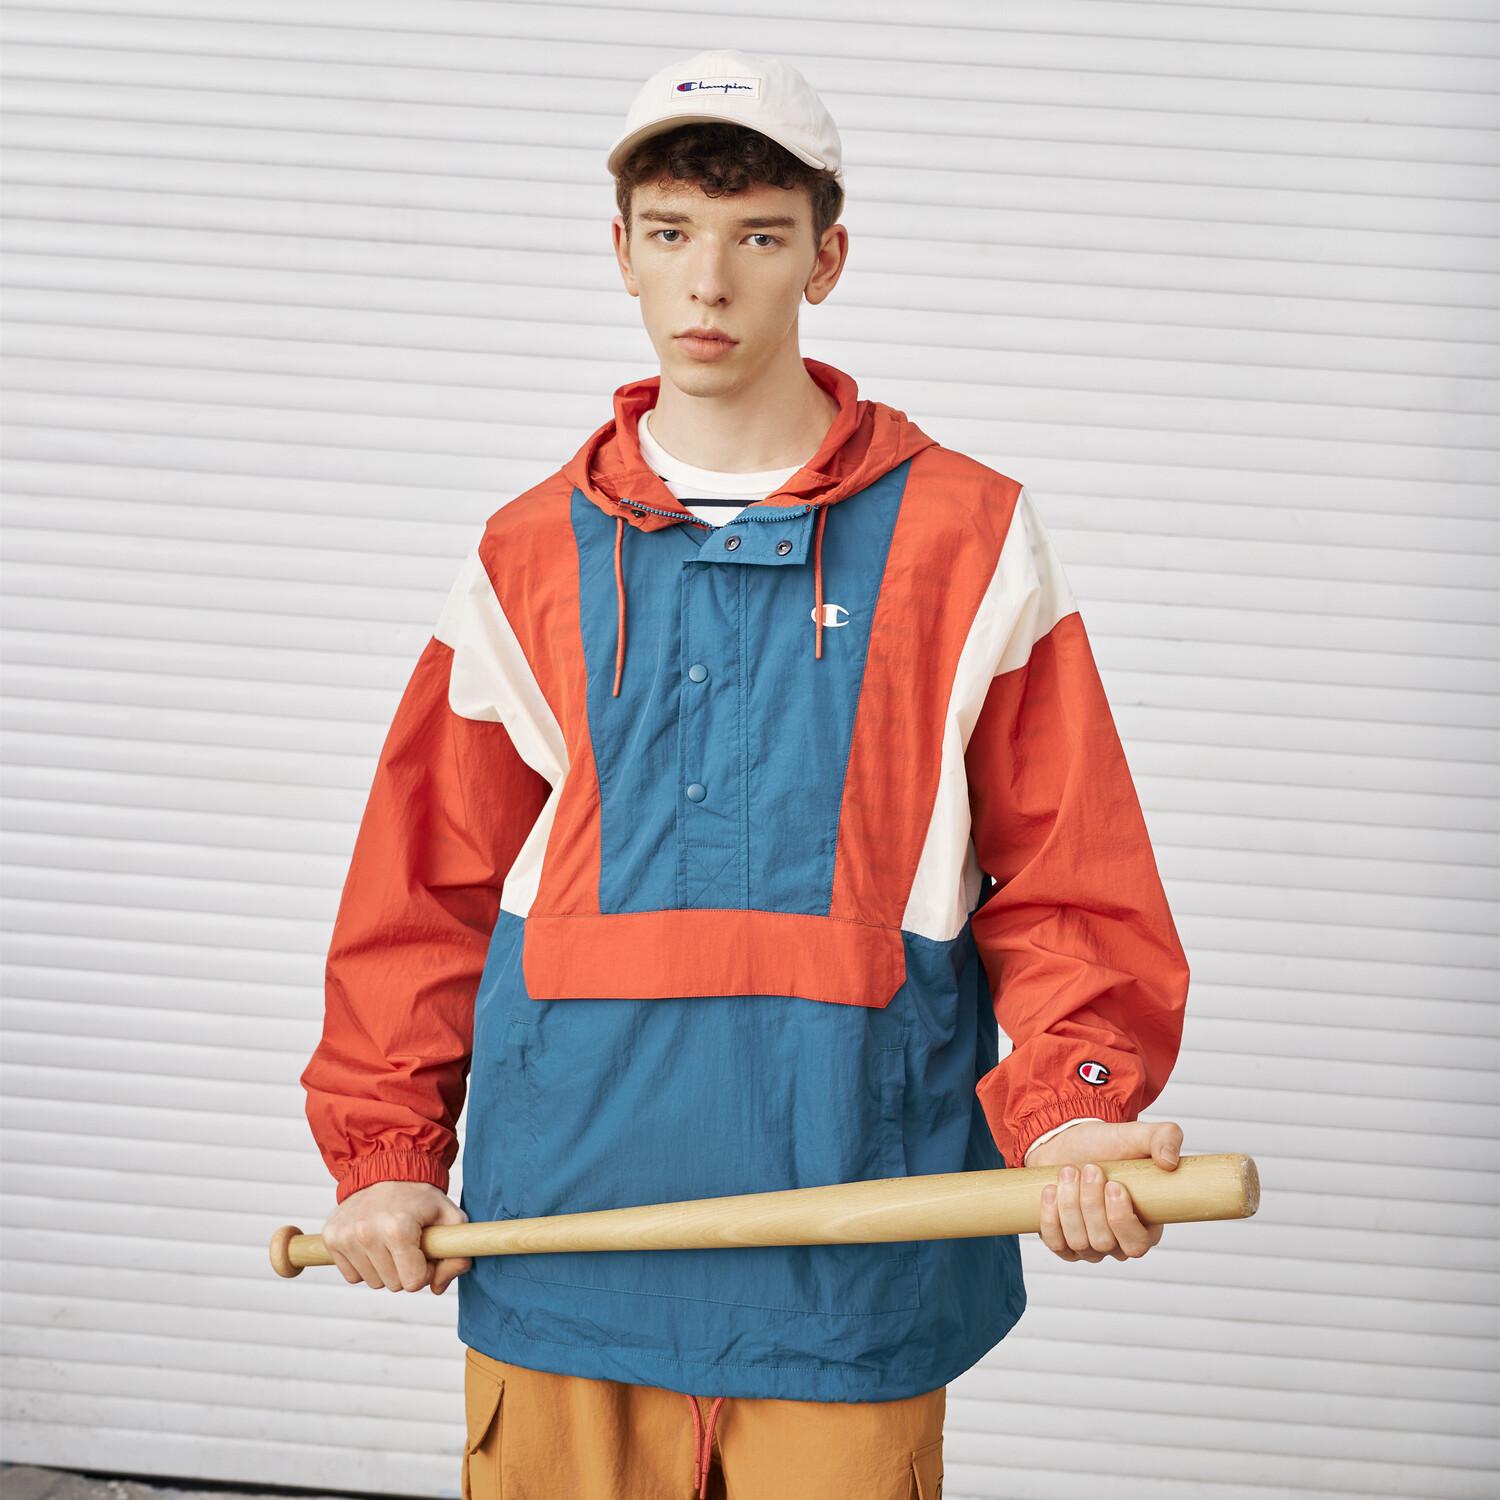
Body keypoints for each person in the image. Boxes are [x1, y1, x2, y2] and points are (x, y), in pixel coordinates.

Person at [298, 47, 1191, 1500]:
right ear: (623, 254)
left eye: (759, 237)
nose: (707, 282)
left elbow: (1070, 871)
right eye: (671, 234)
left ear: (825, 260)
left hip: (858, 1236)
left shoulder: (969, 536)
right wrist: (387, 1150)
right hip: (564, 1232)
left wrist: (1077, 1105)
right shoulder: (524, 554)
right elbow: (421, 886)